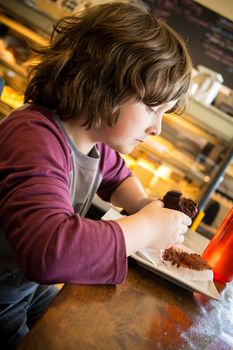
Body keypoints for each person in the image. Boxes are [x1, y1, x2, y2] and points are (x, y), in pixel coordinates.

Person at [0, 1, 193, 348]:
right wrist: (146, 227)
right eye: (151, 108)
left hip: (22, 290)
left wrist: (142, 203)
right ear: (102, 85)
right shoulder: (34, 137)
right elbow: (50, 252)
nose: (157, 128)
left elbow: (116, 175)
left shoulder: (91, 140)